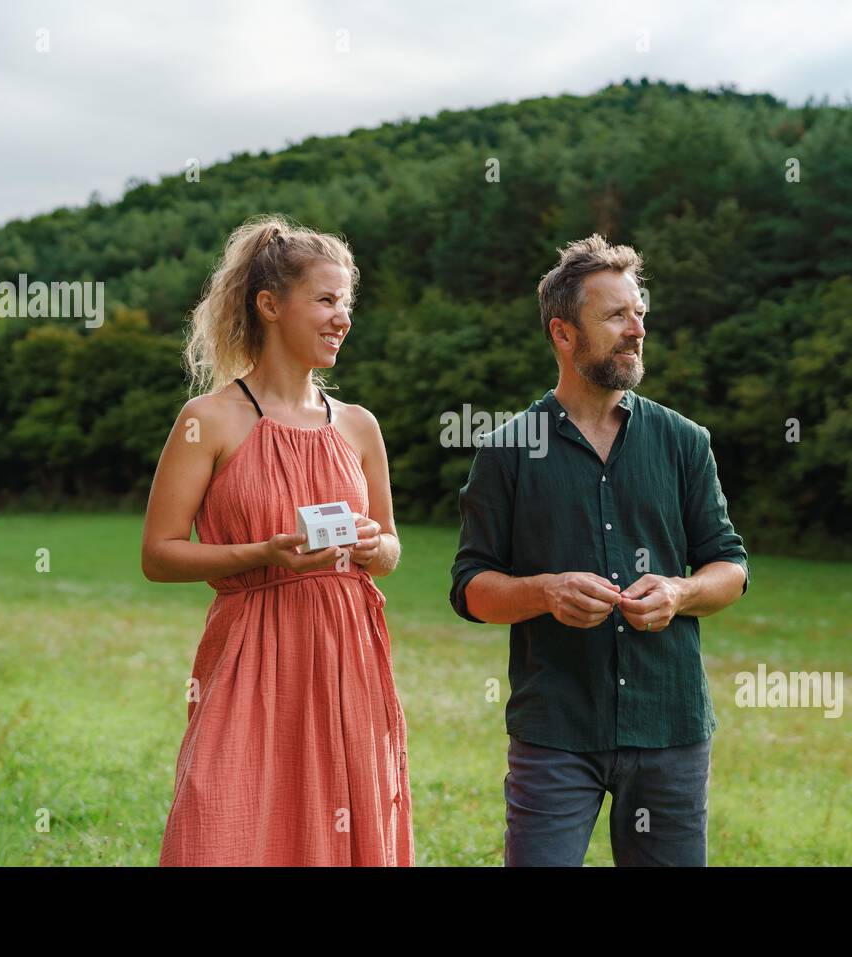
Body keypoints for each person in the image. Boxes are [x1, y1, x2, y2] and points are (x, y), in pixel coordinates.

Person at [449, 234, 749, 867]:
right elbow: (471, 587)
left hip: (669, 726)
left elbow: (730, 567)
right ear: (563, 334)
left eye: (639, 313)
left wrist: (680, 591)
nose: (636, 330)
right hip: (555, 729)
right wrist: (542, 592)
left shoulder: (684, 441)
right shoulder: (508, 450)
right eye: (616, 316)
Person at [143, 214, 412, 866]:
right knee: (223, 822)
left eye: (346, 302)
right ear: (269, 305)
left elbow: (392, 544)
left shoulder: (359, 427)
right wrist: (265, 553)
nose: (341, 317)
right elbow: (159, 553)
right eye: (325, 299)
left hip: (348, 652)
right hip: (250, 651)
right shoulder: (207, 420)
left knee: (344, 824)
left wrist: (379, 550)